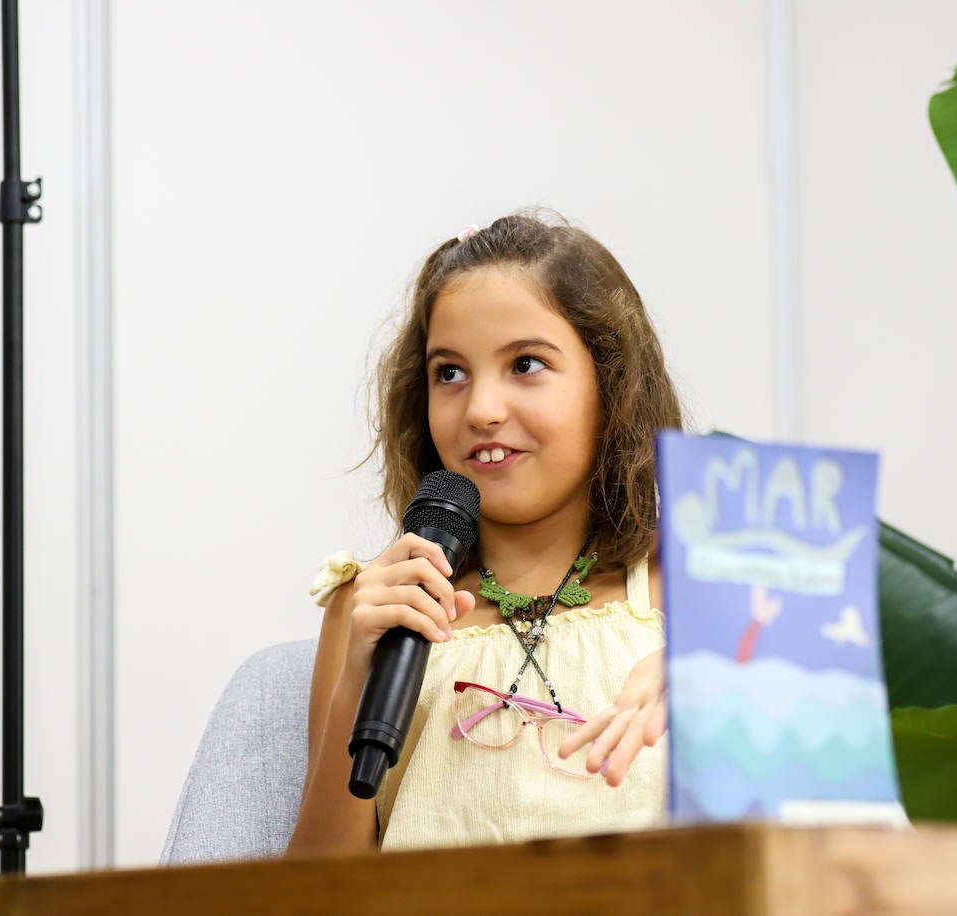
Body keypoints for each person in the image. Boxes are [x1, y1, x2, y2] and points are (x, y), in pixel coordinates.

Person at [285, 211, 685, 856]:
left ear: (611, 388)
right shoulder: (368, 610)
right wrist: (358, 678)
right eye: (450, 373)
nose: (481, 410)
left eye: (525, 364)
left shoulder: (697, 585)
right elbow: (311, 896)